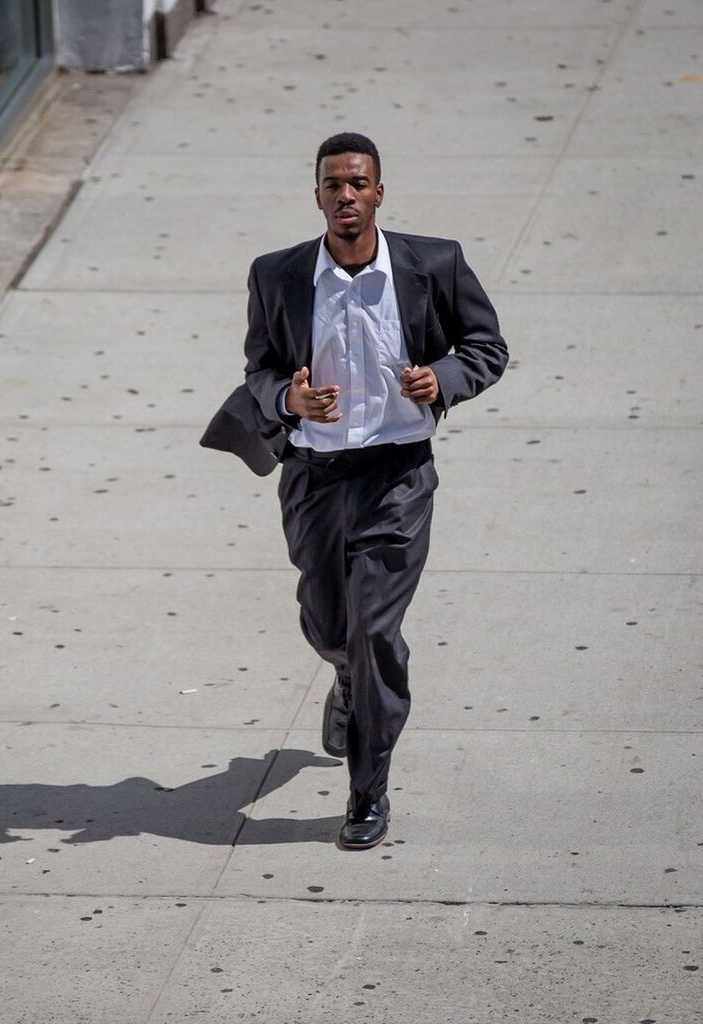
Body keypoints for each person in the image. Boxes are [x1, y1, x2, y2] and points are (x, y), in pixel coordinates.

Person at [201, 132, 508, 850]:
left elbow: (486, 347)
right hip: (314, 478)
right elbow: (260, 368)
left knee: (373, 634)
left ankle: (367, 791)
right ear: (317, 197)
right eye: (332, 184)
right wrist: (288, 403)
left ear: (378, 193)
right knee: (328, 621)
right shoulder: (276, 276)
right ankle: (346, 684)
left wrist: (445, 381)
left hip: (397, 475)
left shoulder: (433, 264)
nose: (346, 195)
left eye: (358, 183)